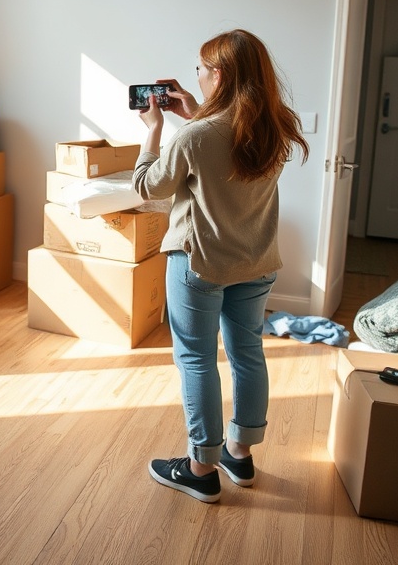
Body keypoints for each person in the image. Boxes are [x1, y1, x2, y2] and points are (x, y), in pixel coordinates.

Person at [132, 29, 309, 503]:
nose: (197, 76)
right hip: (257, 261)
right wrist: (196, 112)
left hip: (201, 264)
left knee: (196, 359)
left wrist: (152, 129)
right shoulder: (277, 125)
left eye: (200, 69)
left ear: (219, 75)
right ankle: (239, 454)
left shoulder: (194, 136)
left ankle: (200, 469)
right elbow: (228, 150)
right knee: (247, 352)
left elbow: (149, 186)